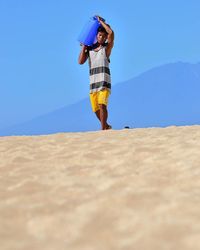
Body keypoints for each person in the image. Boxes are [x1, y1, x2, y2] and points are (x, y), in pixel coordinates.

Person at [78, 16, 114, 130]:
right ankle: (106, 126)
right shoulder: (90, 49)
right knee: (96, 109)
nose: (102, 38)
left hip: (104, 82)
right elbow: (80, 62)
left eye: (104, 36)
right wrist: (84, 45)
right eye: (99, 35)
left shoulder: (106, 49)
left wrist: (101, 22)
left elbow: (111, 33)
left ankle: (103, 129)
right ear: (96, 36)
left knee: (102, 105)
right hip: (93, 83)